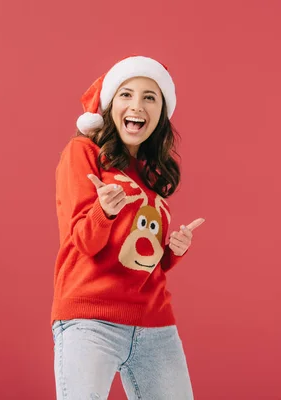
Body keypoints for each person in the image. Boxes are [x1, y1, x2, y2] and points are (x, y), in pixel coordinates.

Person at [51, 55, 204, 400]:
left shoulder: (150, 174)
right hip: (91, 319)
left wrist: (173, 251)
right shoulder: (83, 154)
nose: (137, 105)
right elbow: (85, 244)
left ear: (161, 113)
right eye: (126, 94)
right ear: (110, 105)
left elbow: (142, 262)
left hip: (154, 322)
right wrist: (103, 212)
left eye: (150, 97)